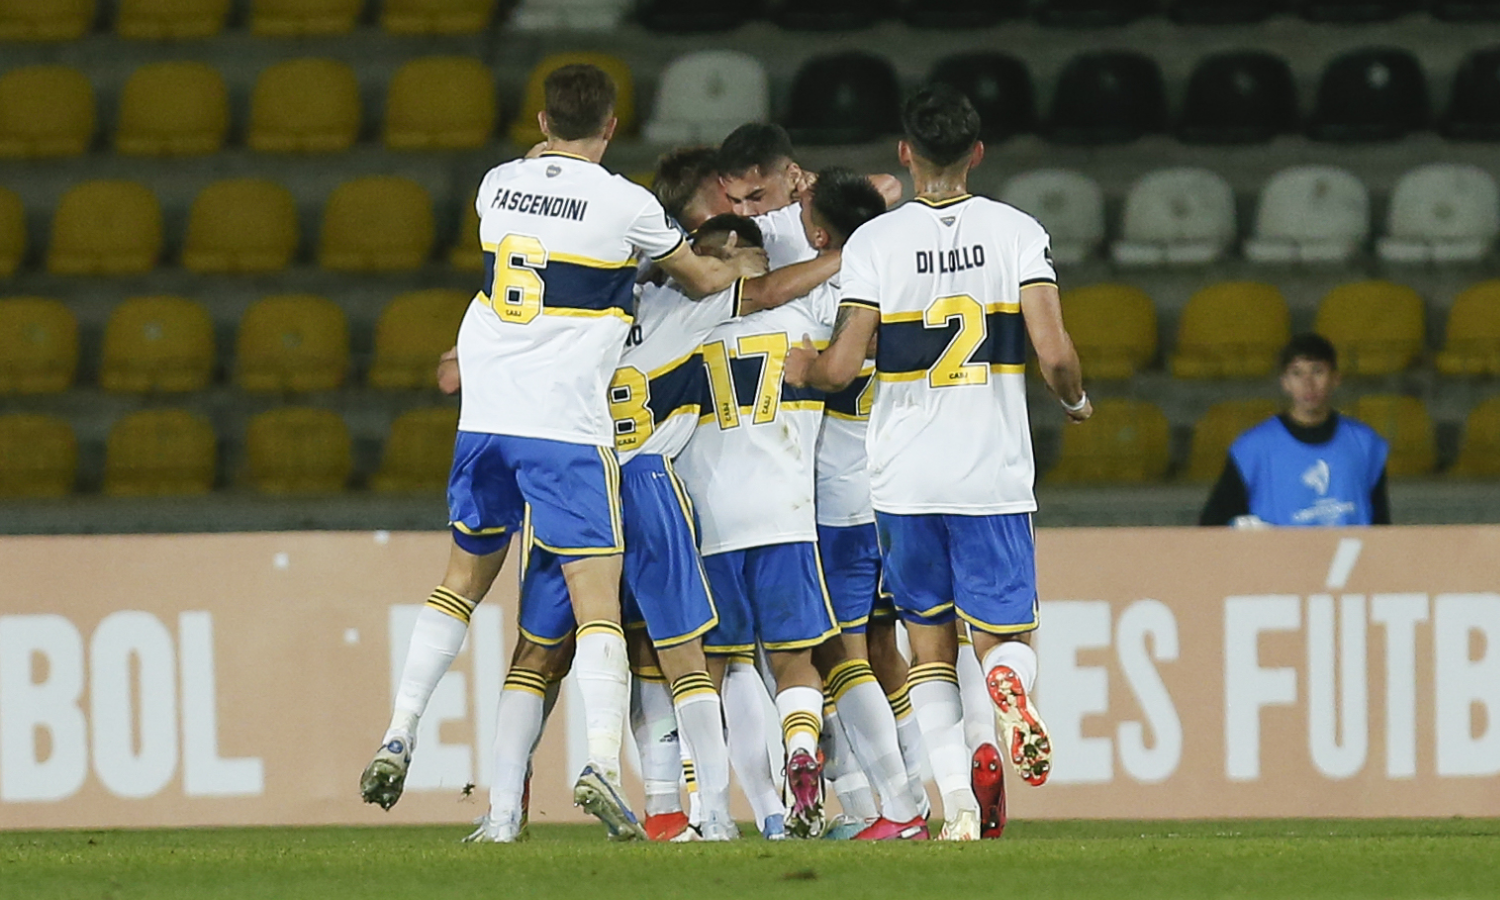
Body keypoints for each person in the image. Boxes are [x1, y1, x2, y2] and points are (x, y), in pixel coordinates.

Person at [357, 64, 756, 838]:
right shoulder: (627, 205)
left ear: (543, 122)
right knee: (598, 606)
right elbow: (698, 277)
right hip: (564, 430)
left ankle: (399, 729)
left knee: (460, 584)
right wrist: (732, 263)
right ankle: (602, 763)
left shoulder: (496, 184)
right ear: (610, 127)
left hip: (486, 422)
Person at [785, 84, 1091, 840]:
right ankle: (1009, 692)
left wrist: (806, 366)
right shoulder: (1017, 231)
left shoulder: (875, 245)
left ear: (905, 155)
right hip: (991, 473)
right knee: (1000, 641)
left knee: (927, 647)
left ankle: (955, 803)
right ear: (977, 154)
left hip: (903, 478)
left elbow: (842, 365)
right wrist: (1077, 404)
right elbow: (1055, 356)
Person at [673, 168, 924, 842]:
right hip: (791, 513)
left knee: (715, 668)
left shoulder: (684, 326)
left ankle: (713, 815)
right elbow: (866, 335)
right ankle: (853, 777)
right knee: (821, 658)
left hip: (711, 523)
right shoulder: (808, 315)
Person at [1200, 333, 1391, 528]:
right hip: (1279, 557)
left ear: (1335, 378)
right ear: (1285, 382)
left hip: (1349, 557)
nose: (1308, 383)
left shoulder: (1365, 444)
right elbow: (1211, 525)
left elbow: (1381, 524)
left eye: (1317, 371)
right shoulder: (1252, 449)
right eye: (1297, 373)